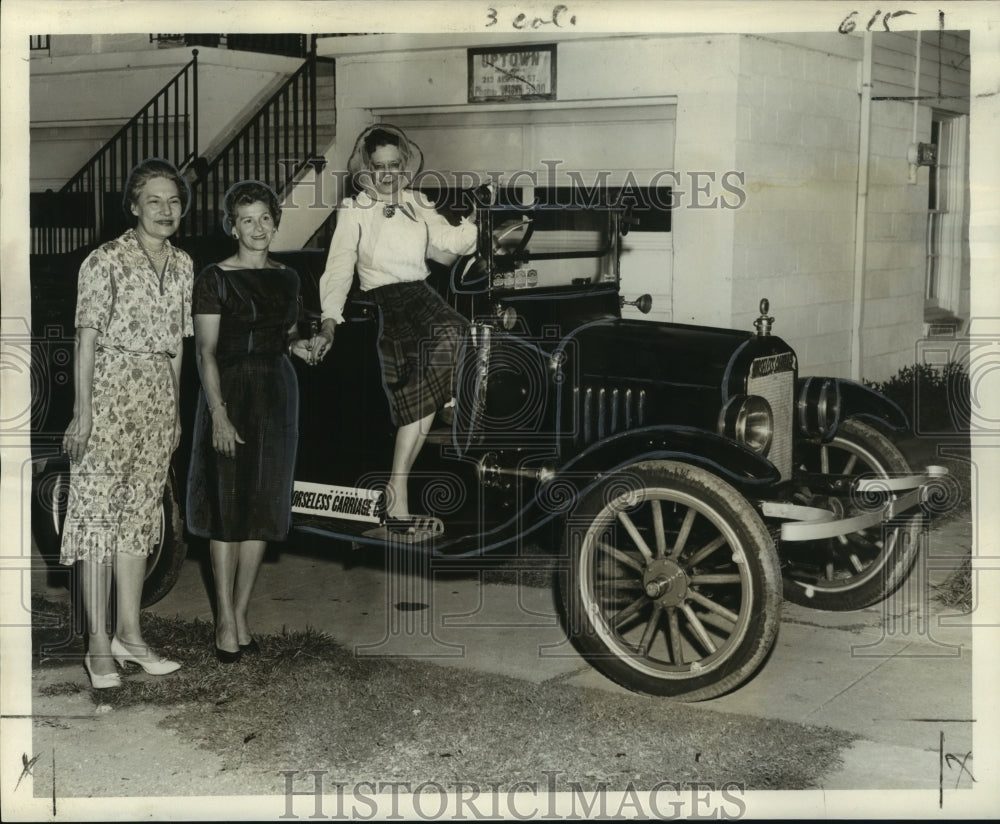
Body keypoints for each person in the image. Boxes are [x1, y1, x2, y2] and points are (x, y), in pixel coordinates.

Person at [61, 158, 193, 688]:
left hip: (158, 399)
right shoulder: (104, 260)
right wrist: (83, 411)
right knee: (97, 519)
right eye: (154, 201)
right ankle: (97, 647)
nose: (165, 210)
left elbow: (179, 348)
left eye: (174, 201)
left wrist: (178, 413)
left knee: (141, 518)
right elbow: (86, 340)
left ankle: (130, 637)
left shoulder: (184, 264)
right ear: (134, 206)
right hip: (111, 392)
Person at [309, 124, 478, 536]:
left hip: (423, 297)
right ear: (367, 168)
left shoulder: (417, 201)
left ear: (404, 166)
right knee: (425, 387)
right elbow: (338, 268)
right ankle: (403, 480)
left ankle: (397, 489)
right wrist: (330, 318)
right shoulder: (354, 210)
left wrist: (474, 225)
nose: (387, 173)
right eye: (379, 166)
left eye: (394, 165)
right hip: (387, 305)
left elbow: (450, 242)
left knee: (458, 332)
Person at [186, 180, 310, 662]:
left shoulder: (289, 277)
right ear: (231, 225)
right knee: (226, 505)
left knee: (263, 506)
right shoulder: (214, 278)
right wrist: (217, 413)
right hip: (230, 392)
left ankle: (240, 613)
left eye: (264, 218)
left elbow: (289, 333)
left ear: (276, 222)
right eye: (246, 219)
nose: (257, 228)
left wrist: (302, 345)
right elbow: (205, 351)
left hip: (277, 394)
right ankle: (221, 618)